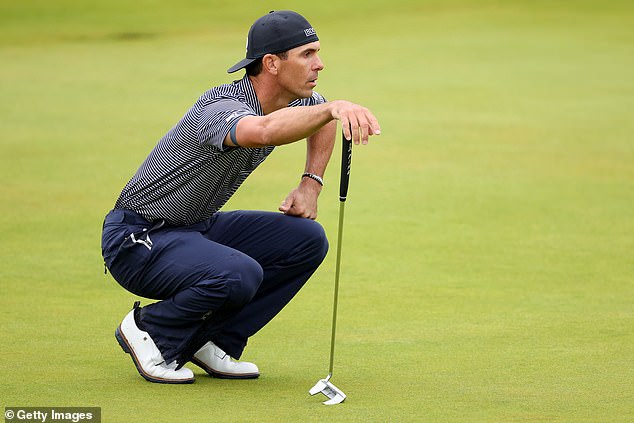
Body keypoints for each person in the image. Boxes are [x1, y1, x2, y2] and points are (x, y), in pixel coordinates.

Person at [101, 10, 381, 384]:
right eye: (307, 54)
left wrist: (310, 183)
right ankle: (150, 328)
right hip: (137, 240)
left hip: (194, 229)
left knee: (306, 240)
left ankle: (214, 340)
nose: (320, 64)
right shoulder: (219, 107)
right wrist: (332, 109)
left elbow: (321, 119)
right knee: (239, 273)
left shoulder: (296, 102)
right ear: (272, 64)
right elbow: (262, 131)